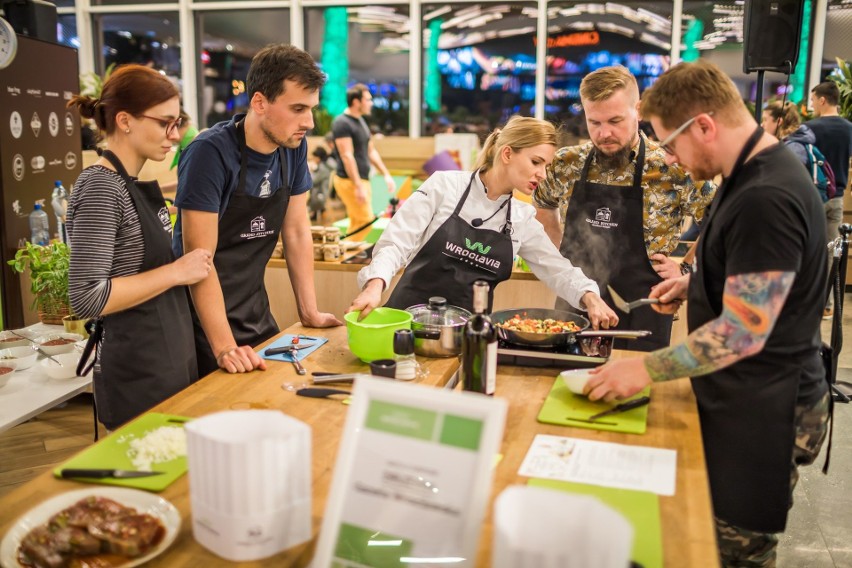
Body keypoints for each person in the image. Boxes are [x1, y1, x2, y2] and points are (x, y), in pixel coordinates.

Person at [584, 61, 829, 567]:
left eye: (670, 144)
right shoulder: (749, 176)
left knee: (726, 552)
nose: (670, 158)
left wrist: (644, 368)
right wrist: (696, 284)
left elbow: (743, 331)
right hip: (741, 396)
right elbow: (764, 276)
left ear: (704, 126)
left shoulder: (767, 196)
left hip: (767, 408)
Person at [348, 116, 619, 329]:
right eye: (536, 161)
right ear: (507, 153)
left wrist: (590, 297)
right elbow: (396, 243)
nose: (542, 174)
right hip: (405, 325)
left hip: (468, 338)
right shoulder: (445, 186)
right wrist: (375, 284)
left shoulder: (521, 219)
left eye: (546, 166)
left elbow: (558, 269)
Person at [173, 44, 341, 377]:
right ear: (260, 102)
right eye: (297, 108)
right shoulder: (210, 154)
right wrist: (223, 347)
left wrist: (309, 312)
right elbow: (198, 258)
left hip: (253, 310)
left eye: (311, 108)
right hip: (198, 320)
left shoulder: (292, 146)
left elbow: (295, 231)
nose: (309, 122)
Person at [66, 64, 213, 430]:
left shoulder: (130, 182)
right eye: (165, 122)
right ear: (125, 120)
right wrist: (177, 272)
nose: (175, 134)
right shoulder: (102, 188)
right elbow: (86, 297)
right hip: (137, 375)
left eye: (177, 122)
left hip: (168, 362)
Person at [534, 65, 715, 351]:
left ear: (638, 110)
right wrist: (560, 259)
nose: (604, 133)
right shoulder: (567, 163)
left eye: (615, 120)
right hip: (577, 302)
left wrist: (686, 267)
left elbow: (720, 219)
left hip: (647, 305)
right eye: (595, 122)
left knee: (636, 390)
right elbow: (543, 204)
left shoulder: (672, 166)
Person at [807, 81, 852, 319]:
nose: (812, 104)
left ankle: (805, 300)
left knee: (806, 248)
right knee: (831, 252)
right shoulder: (849, 128)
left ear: (823, 100)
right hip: (837, 197)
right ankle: (826, 304)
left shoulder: (810, 128)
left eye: (813, 99)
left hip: (812, 195)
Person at [331, 83, 397, 241]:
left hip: (362, 179)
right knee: (365, 221)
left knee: (357, 222)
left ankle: (346, 253)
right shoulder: (342, 123)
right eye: (368, 99)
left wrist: (386, 174)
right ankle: (346, 253)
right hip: (349, 180)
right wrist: (358, 186)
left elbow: (371, 150)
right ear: (356, 102)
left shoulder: (361, 121)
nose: (371, 103)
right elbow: (347, 155)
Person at [308, 146, 333, 221]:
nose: (313, 159)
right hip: (322, 191)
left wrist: (311, 171)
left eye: (314, 157)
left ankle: (315, 212)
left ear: (318, 157)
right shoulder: (325, 166)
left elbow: (313, 180)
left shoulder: (322, 168)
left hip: (320, 194)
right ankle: (319, 212)